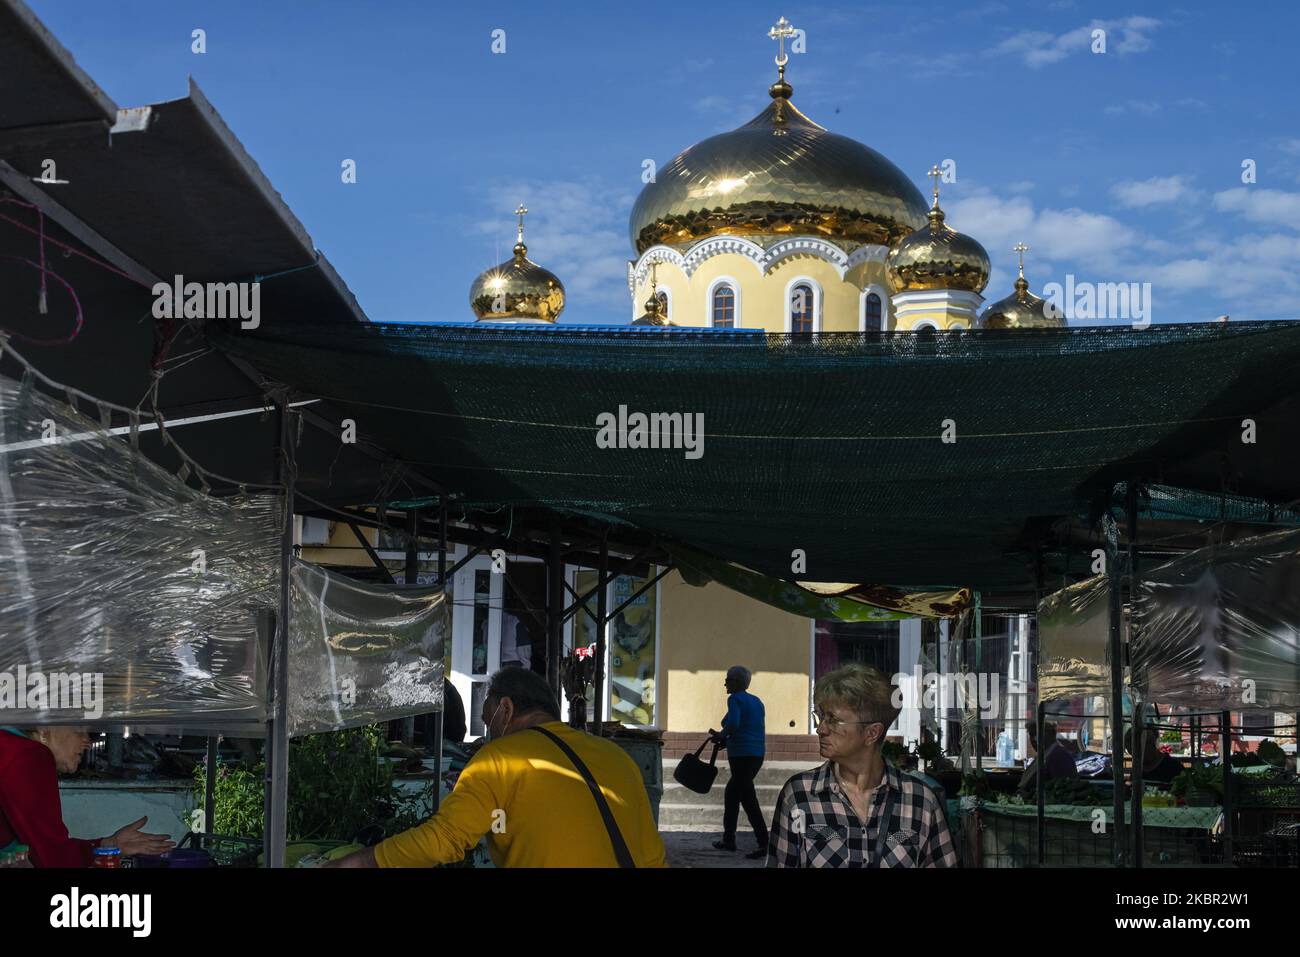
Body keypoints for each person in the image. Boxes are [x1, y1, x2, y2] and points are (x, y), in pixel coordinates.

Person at [327, 667, 666, 868]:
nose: (487, 729)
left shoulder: (500, 758)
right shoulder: (617, 757)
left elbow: (444, 839)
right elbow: (652, 856)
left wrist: (359, 861)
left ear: (506, 708)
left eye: (487, 718)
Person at [768, 664, 956, 867]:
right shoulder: (799, 795)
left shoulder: (920, 801)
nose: (820, 729)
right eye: (821, 717)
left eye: (833, 720)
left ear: (872, 733)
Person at [0, 726, 175, 867]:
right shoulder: (29, 755)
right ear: (44, 728)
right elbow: (53, 857)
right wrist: (106, 848)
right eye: (78, 731)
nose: (87, 742)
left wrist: (108, 845)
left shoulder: (9, 746)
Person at [711, 665, 767, 858]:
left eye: (728, 679)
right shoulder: (756, 701)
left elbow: (733, 723)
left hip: (741, 756)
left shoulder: (735, 699)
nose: (725, 683)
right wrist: (726, 735)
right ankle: (729, 839)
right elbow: (741, 724)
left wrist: (721, 736)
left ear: (736, 682)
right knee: (732, 794)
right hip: (756, 755)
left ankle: (765, 844)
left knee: (748, 799)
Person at [1017, 721, 1078, 797]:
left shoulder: (1059, 756)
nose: (1032, 741)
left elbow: (1061, 789)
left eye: (1034, 736)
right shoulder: (1045, 754)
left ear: (1045, 736)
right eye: (1031, 736)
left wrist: (1030, 795)